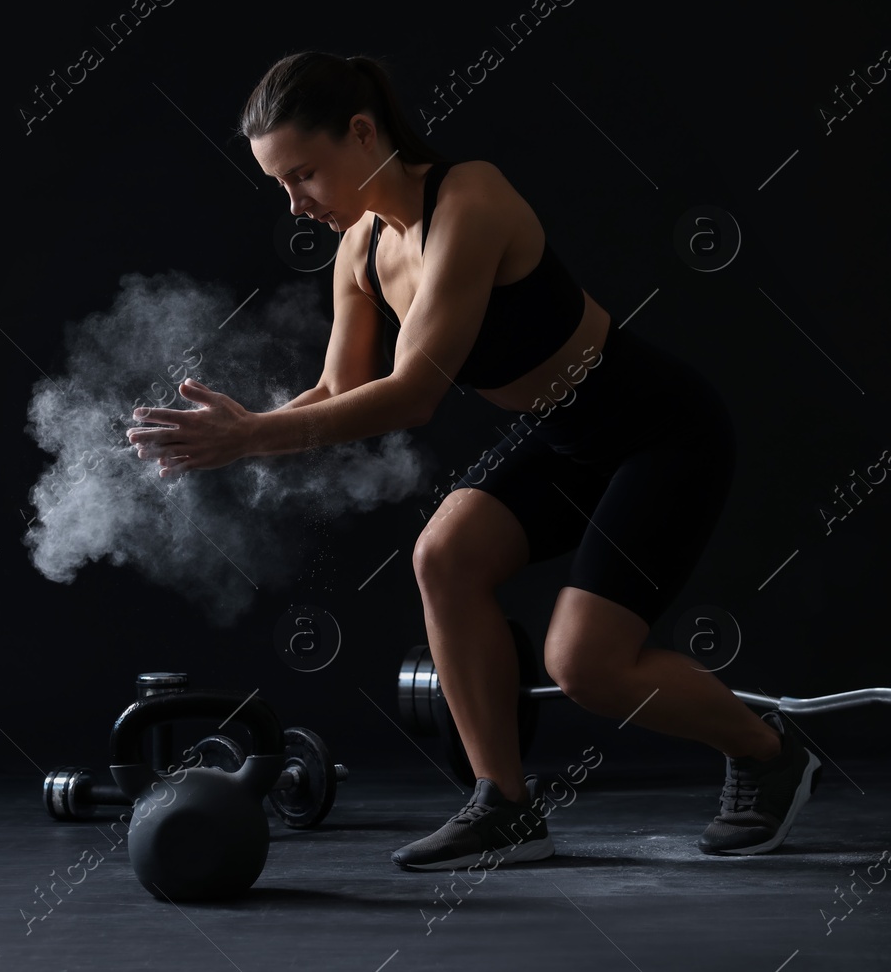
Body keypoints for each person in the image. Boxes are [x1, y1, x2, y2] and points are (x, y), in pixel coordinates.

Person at [125, 50, 820, 871]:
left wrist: (249, 438)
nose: (295, 202)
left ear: (361, 131)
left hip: (660, 431)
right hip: (566, 439)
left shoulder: (472, 199)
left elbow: (413, 395)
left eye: (303, 174)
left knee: (585, 663)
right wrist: (248, 427)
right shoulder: (361, 253)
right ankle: (505, 806)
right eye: (281, 184)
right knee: (444, 555)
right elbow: (341, 388)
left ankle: (769, 753)